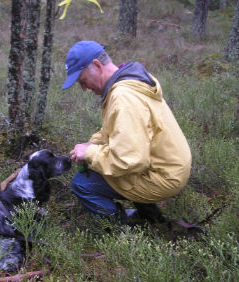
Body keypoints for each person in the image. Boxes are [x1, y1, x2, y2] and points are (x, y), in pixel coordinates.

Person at [62, 40, 192, 222]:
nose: (84, 88)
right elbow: (116, 130)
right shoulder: (128, 82)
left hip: (163, 178)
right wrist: (92, 143)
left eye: (83, 81)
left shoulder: (123, 98)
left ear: (97, 66)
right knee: (105, 164)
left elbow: (128, 161)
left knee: (83, 184)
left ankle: (121, 233)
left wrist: (90, 153)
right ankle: (150, 217)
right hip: (170, 168)